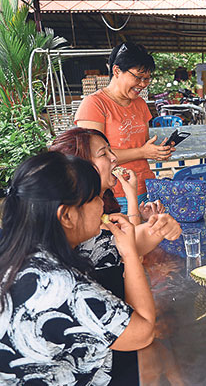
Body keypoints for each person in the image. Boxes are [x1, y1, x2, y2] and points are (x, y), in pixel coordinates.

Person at [0, 152, 155, 384]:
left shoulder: (15, 250)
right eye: (94, 197)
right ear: (66, 216)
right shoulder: (59, 285)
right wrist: (130, 253)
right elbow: (143, 333)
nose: (102, 203)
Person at [49, 128, 181, 384]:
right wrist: (134, 252)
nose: (114, 158)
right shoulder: (62, 272)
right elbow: (141, 332)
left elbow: (122, 240)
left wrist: (158, 228)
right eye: (103, 153)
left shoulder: (91, 215)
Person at [75, 42, 175, 213]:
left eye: (147, 79)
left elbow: (140, 145)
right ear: (116, 71)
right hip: (114, 193)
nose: (143, 84)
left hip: (144, 187)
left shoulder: (140, 104)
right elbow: (91, 158)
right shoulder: (94, 104)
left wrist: (156, 151)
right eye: (138, 77)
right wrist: (143, 152)